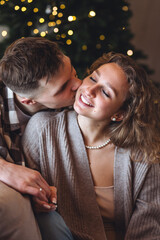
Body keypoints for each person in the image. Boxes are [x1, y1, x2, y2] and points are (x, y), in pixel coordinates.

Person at [22, 52, 160, 240]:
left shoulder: (143, 154)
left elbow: (148, 225)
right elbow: (29, 198)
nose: (89, 90)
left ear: (119, 114)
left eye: (105, 92)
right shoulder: (42, 129)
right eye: (93, 78)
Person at [0, 37, 81, 240]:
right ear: (28, 99)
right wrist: (4, 169)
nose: (79, 84)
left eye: (73, 71)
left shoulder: (80, 102)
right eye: (63, 87)